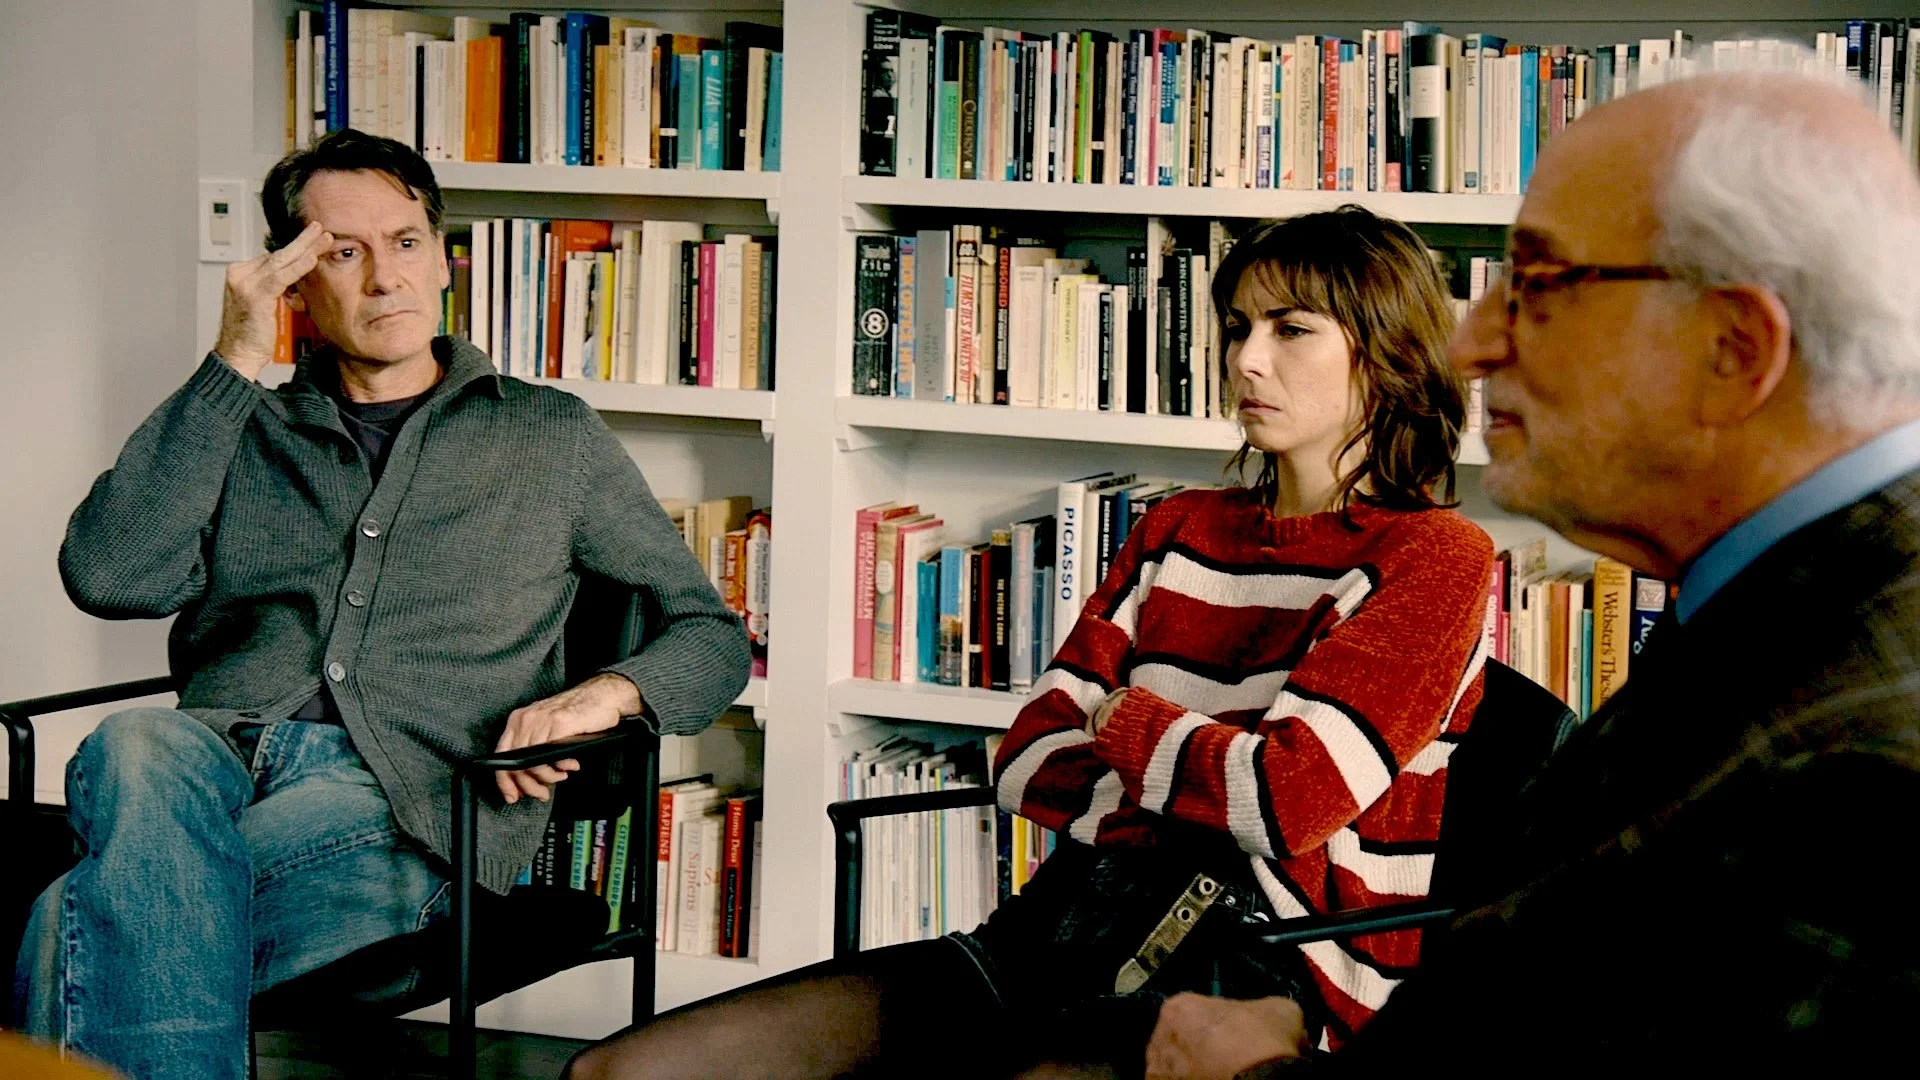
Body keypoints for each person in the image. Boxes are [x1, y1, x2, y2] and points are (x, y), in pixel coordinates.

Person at [565, 207, 1496, 1080]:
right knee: (617, 1071)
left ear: (1386, 353)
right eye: (1239, 326)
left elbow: (1286, 799)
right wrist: (1193, 778)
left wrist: (1121, 716)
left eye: (1291, 330)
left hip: (1259, 975)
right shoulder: (1177, 529)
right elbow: (1030, 754)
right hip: (1045, 935)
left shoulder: (1435, 557)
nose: (1247, 359)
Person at [1141, 61, 1920, 1079]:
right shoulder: (1779, 606)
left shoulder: (1866, 788)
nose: (1469, 344)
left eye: (1540, 283)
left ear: (1734, 349)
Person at [10, 128, 751, 1080]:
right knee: (134, 742)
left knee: (68, 919)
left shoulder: (548, 434)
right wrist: (231, 362)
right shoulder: (242, 426)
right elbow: (111, 576)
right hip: (209, 768)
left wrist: (596, 697)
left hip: (412, 803)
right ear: (293, 283)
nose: (382, 279)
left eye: (404, 243)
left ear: (442, 258)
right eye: (342, 253)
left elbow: (710, 635)